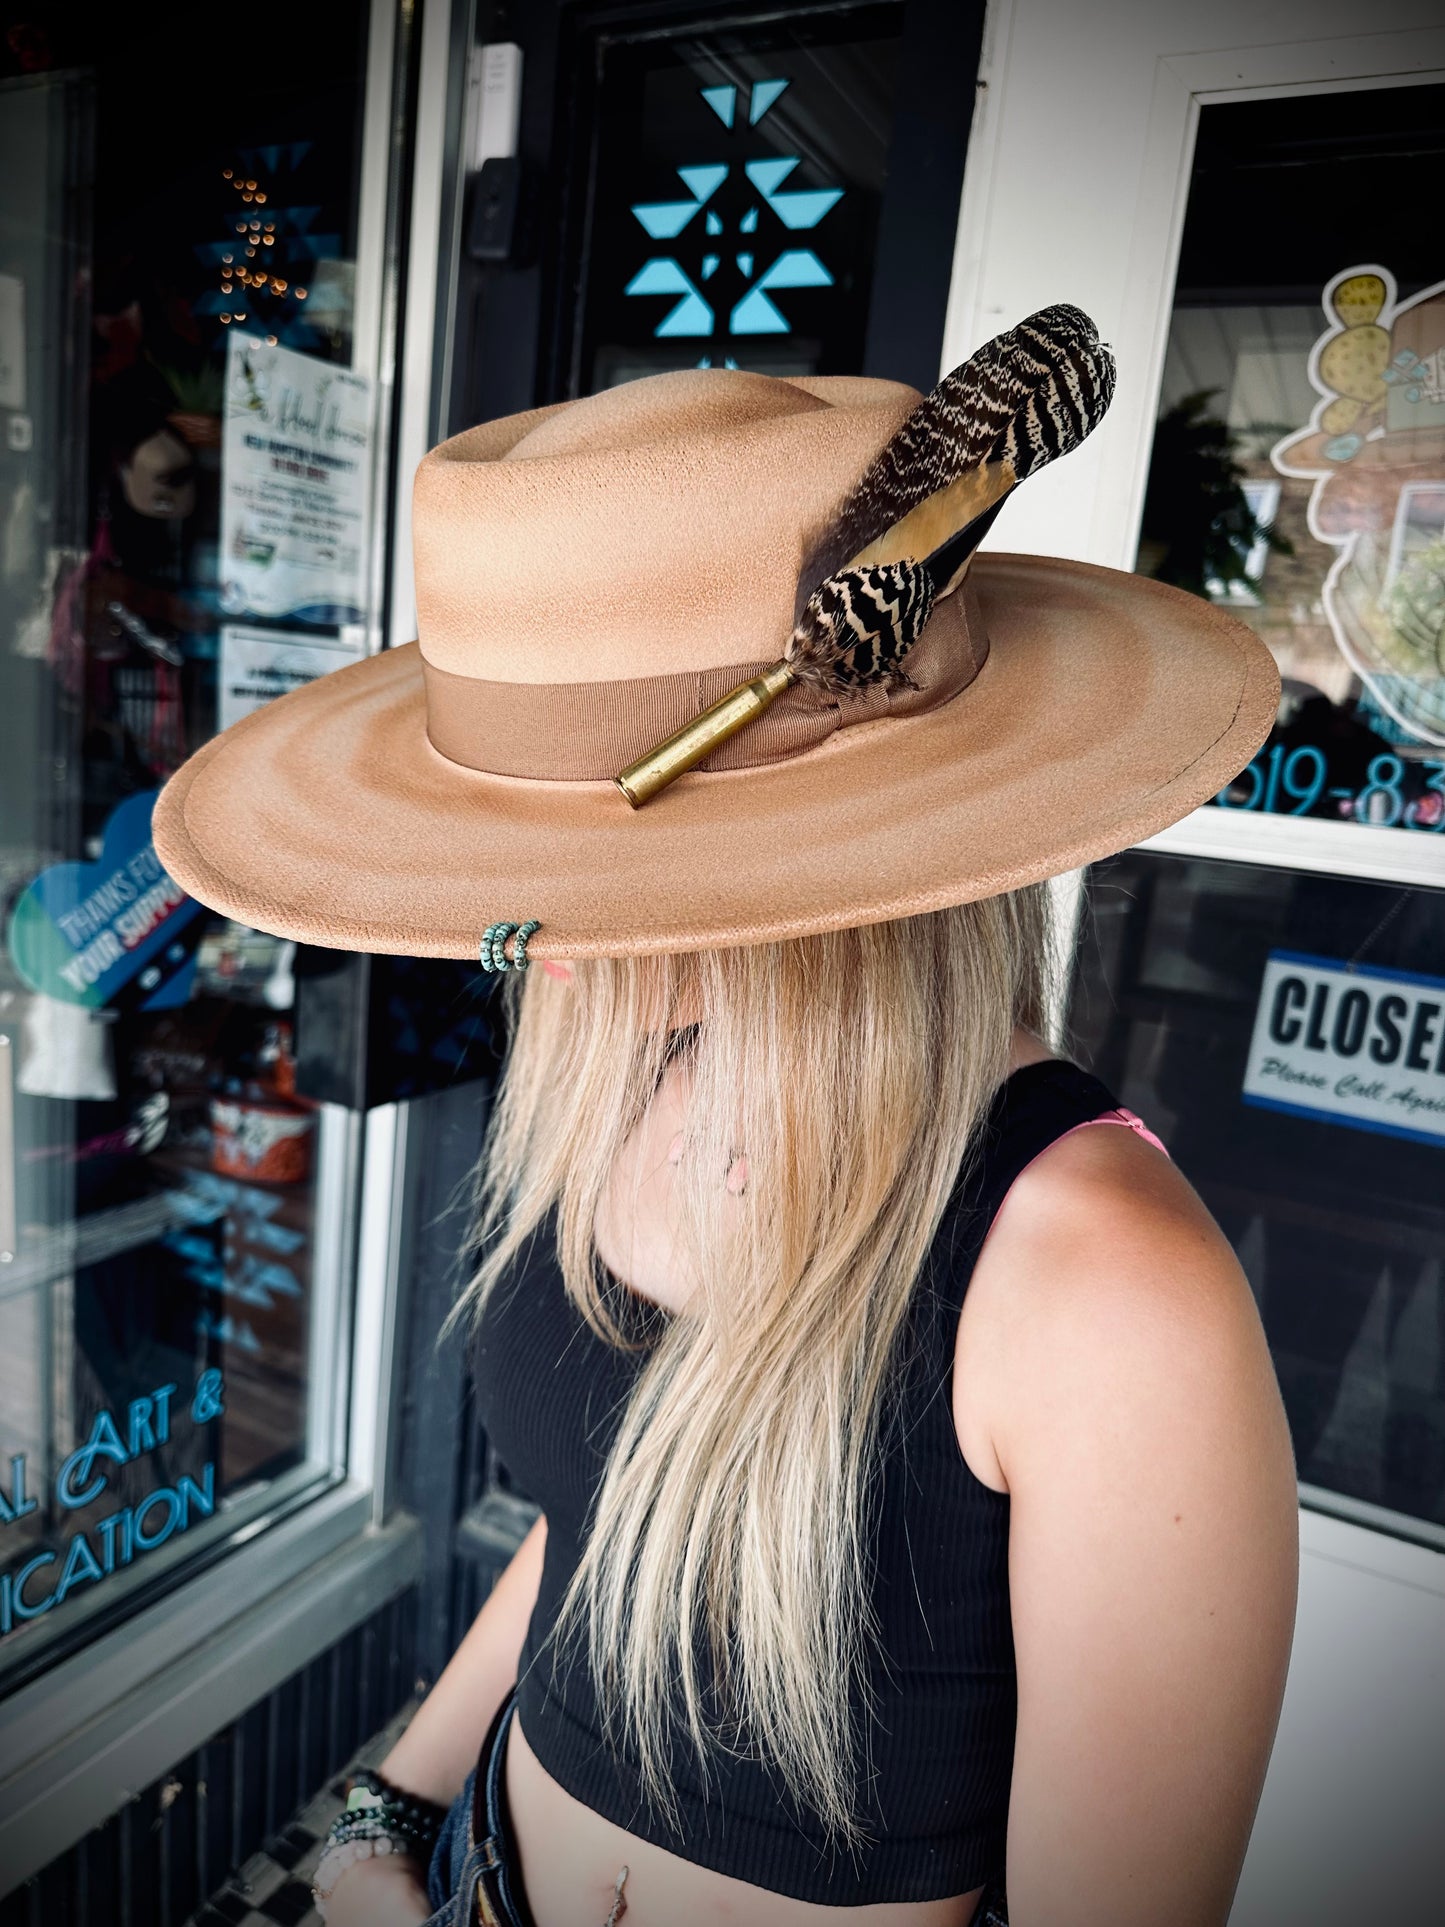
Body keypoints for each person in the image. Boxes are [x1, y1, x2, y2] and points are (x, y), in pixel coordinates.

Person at [153, 318, 1299, 1927]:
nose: (518, 928)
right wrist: (374, 1825)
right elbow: (592, 1532)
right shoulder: (617, 1078)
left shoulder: (1105, 1287)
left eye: (571, 857)